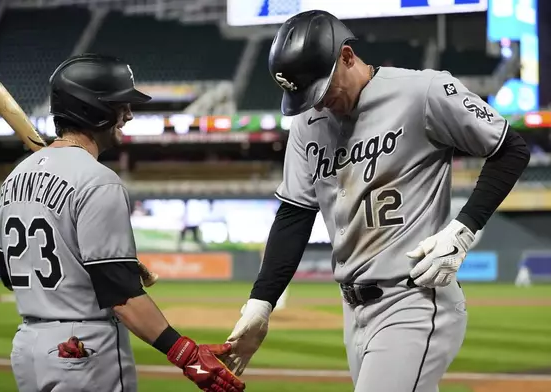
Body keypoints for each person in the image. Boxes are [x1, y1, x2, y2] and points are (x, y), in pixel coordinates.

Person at [221, 10, 530, 392]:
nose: (317, 105)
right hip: (354, 311)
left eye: (322, 91)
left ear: (347, 57)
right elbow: (294, 214)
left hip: (412, 298)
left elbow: (509, 148)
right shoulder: (307, 122)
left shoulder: (424, 91)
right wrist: (261, 303)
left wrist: (462, 230)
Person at [0, 53, 245, 392]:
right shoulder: (98, 181)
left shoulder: (13, 179)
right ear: (92, 110)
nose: (128, 114)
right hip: (85, 349)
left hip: (28, 350)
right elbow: (122, 297)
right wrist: (187, 354)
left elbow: (9, 273)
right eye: (119, 105)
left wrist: (97, 263)